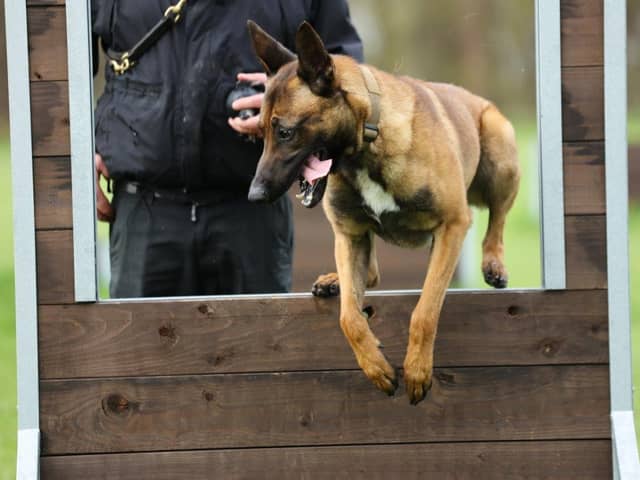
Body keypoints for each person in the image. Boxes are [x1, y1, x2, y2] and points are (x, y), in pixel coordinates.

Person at [91, 0, 363, 297]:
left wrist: (289, 102)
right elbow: (56, 67)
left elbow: (346, 78)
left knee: (259, 342)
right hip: (141, 209)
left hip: (254, 211)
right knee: (136, 343)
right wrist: (74, 162)